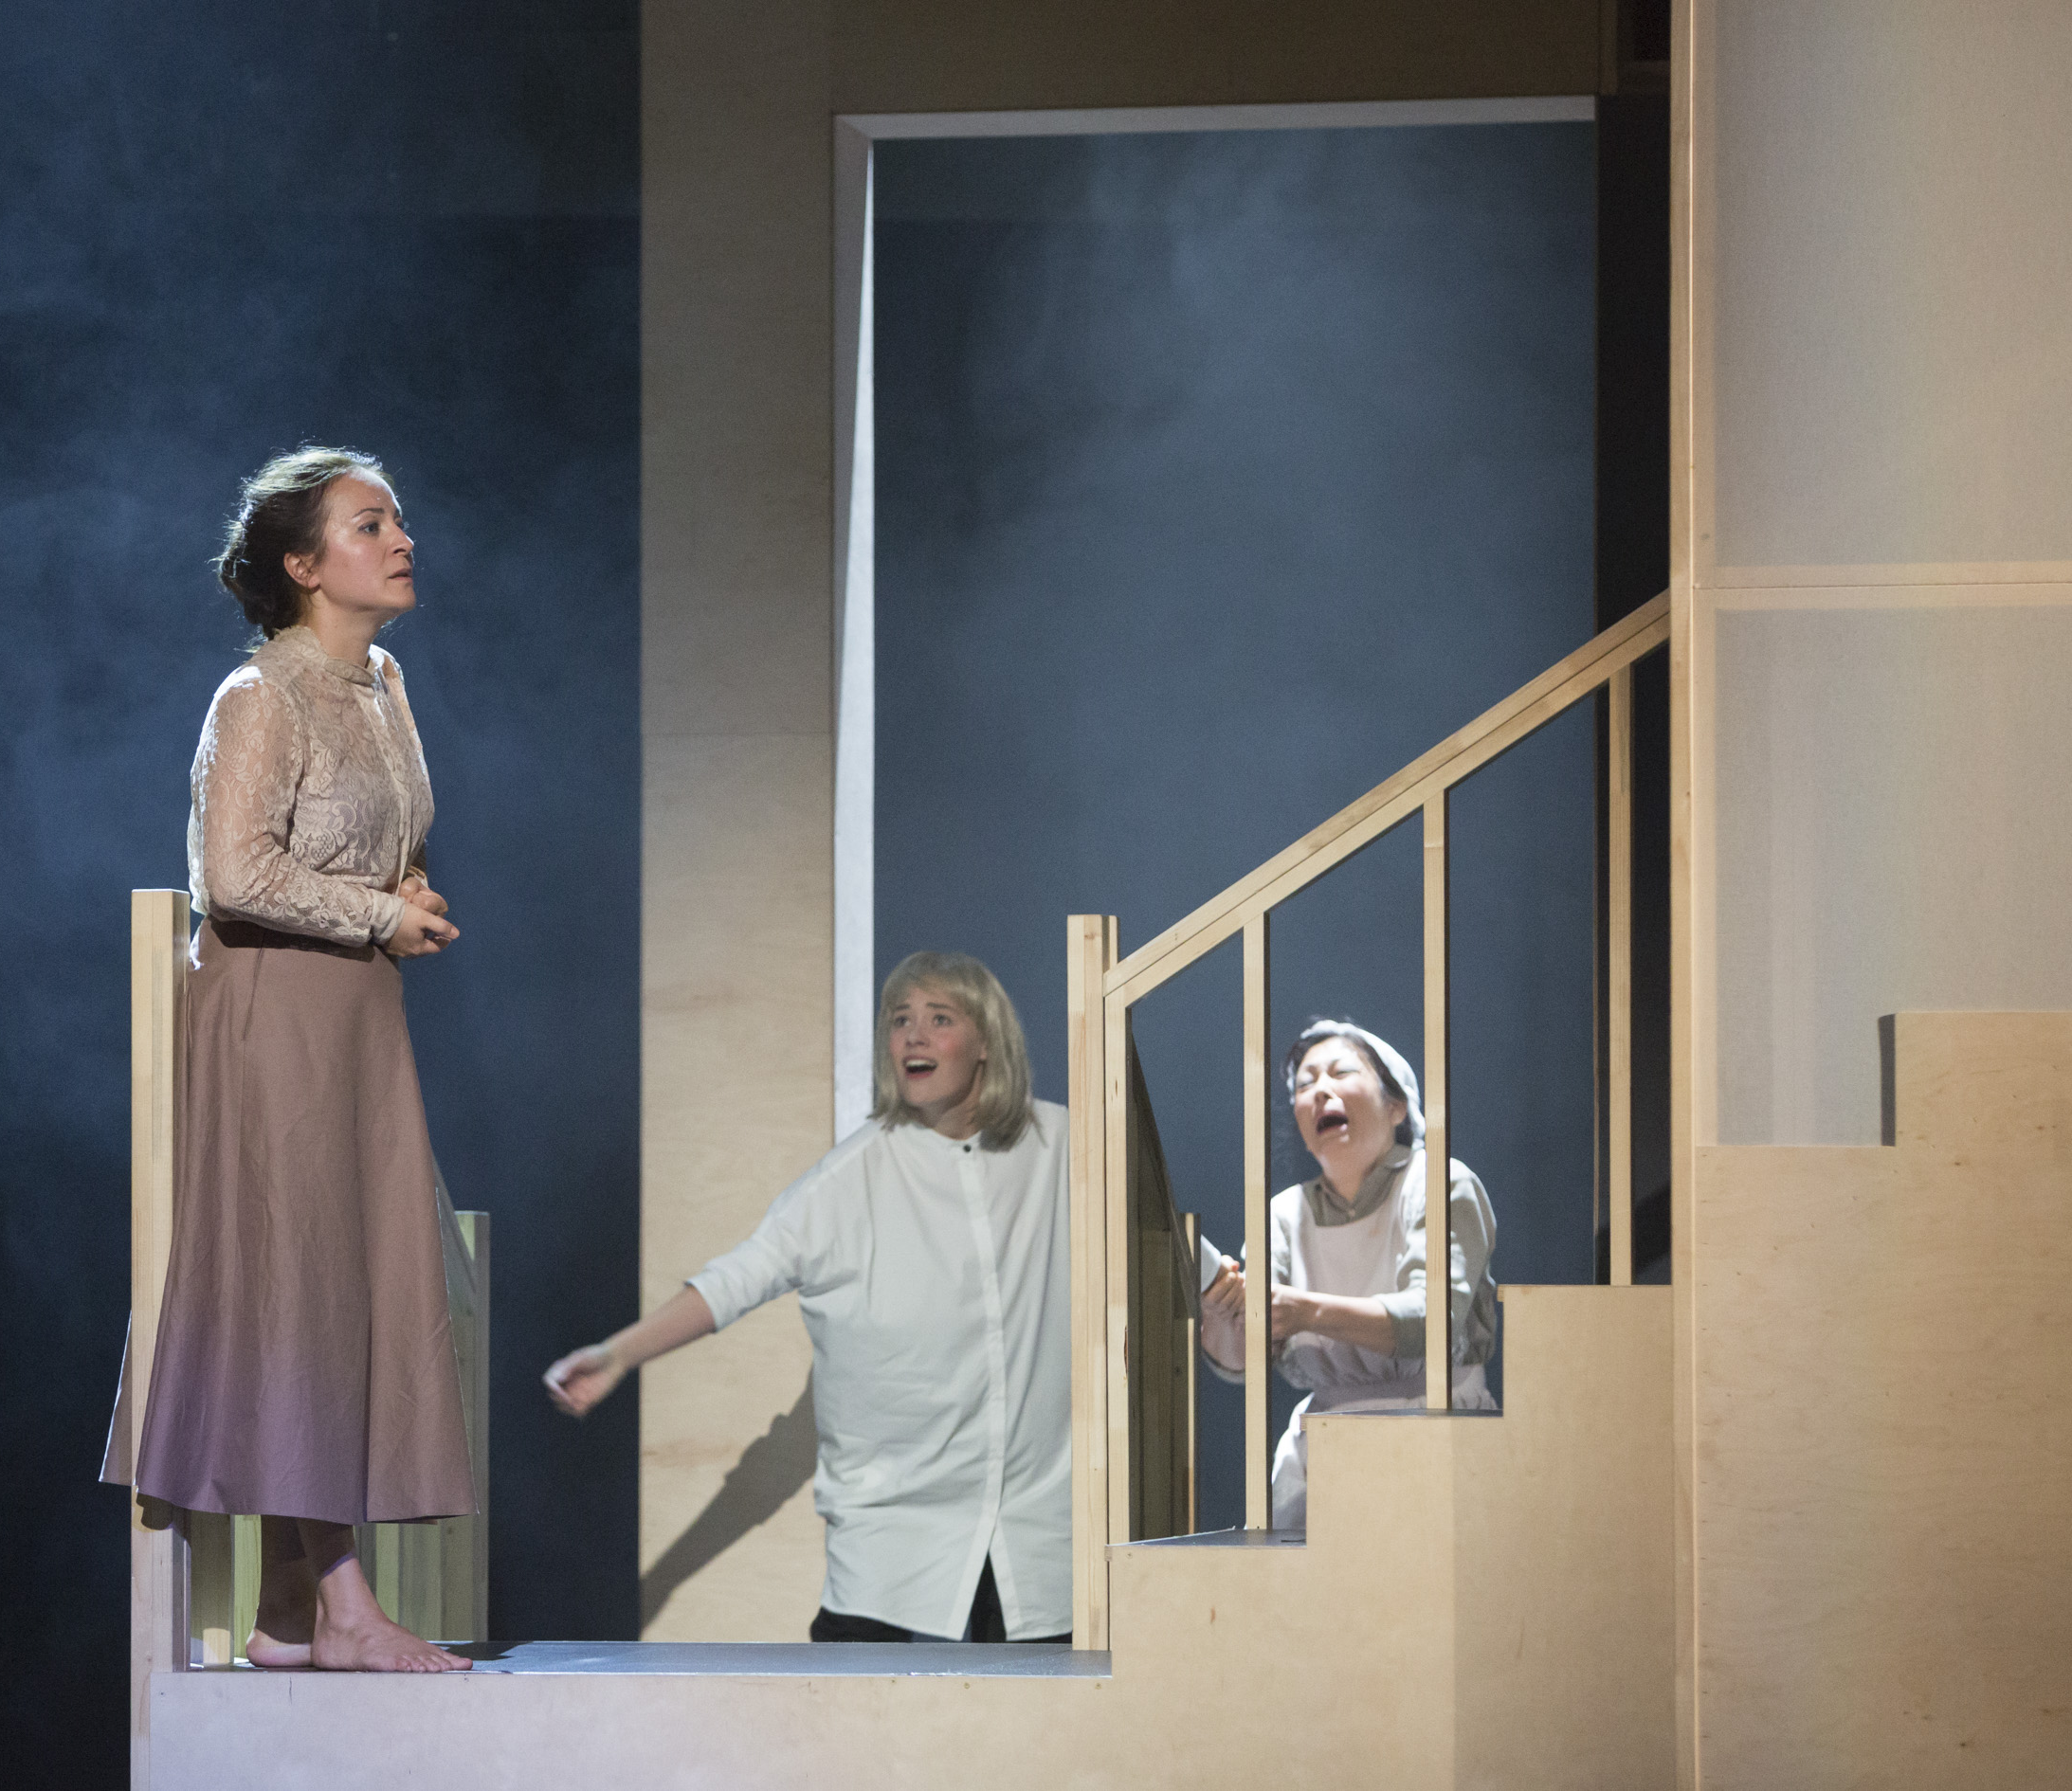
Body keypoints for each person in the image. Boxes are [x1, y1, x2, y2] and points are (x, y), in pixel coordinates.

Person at [102, 447, 475, 1673]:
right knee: (299, 1290)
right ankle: (347, 1610)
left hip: (357, 1012)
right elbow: (236, 873)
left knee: (346, 1283)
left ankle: (285, 1610)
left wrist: (403, 890)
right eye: (370, 524)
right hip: (275, 1013)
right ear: (304, 566)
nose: (401, 539)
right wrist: (376, 913)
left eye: (398, 519)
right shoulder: (257, 696)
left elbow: (374, 836)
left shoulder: (382, 683)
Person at [545, 952, 1073, 1644]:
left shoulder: (1064, 1145)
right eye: (899, 1020)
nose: (913, 1036)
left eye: (939, 1019)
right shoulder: (849, 1179)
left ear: (985, 1042)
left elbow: (1159, 1231)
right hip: (893, 1548)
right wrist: (619, 1354)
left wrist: (1212, 1298)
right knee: (859, 1712)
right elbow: (737, 1278)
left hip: (1039, 1541)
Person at [1197, 1020, 1499, 1541]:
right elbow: (1245, 1363)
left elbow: (1432, 1321)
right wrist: (1222, 1315)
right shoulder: (1281, 1216)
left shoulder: (1439, 1183)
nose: (1320, 1090)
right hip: (1325, 1446)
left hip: (1439, 1426)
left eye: (1340, 1073)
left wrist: (1306, 1311)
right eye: (1305, 1083)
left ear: (1396, 1105)